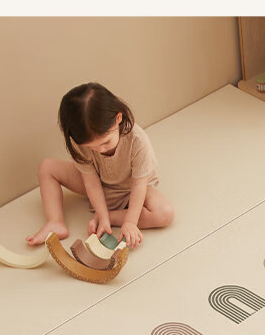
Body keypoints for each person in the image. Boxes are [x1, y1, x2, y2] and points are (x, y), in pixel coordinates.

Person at [27, 82, 174, 249]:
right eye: (92, 147)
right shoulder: (80, 141)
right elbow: (91, 182)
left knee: (165, 213)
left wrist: (130, 222)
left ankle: (114, 216)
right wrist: (101, 216)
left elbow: (139, 186)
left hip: (131, 189)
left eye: (105, 142)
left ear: (118, 118)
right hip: (99, 185)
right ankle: (55, 222)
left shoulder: (137, 140)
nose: (101, 150)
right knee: (46, 167)